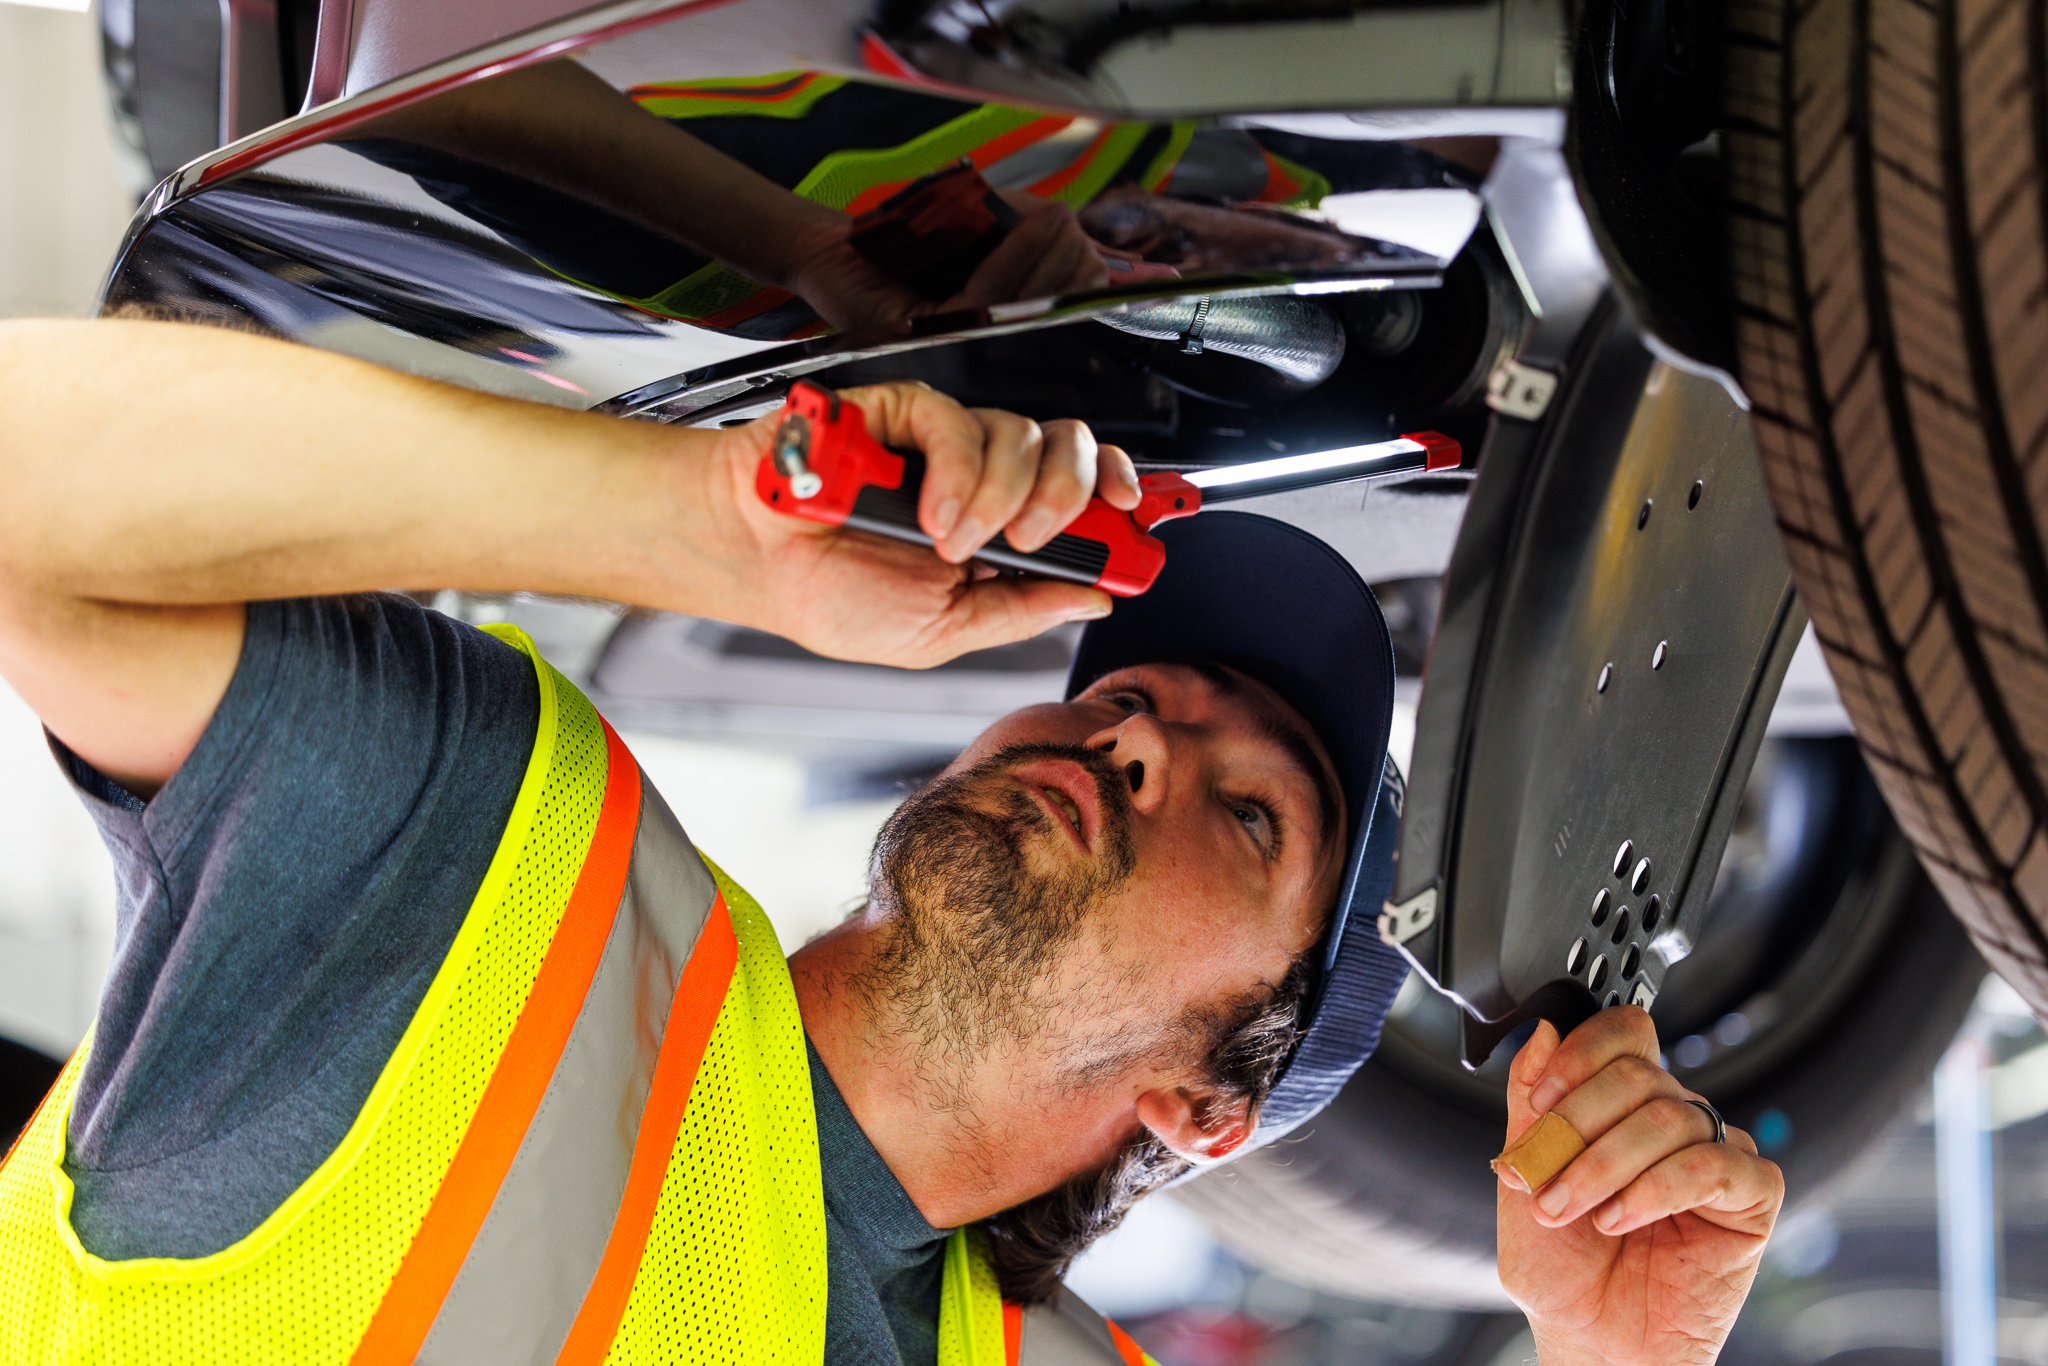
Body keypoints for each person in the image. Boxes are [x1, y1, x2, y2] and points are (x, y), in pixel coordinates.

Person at [0, 317, 1783, 1365]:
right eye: (1132, 694)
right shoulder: (490, 864)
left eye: (1249, 816)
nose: (1141, 729)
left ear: (1200, 1107)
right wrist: (703, 528)